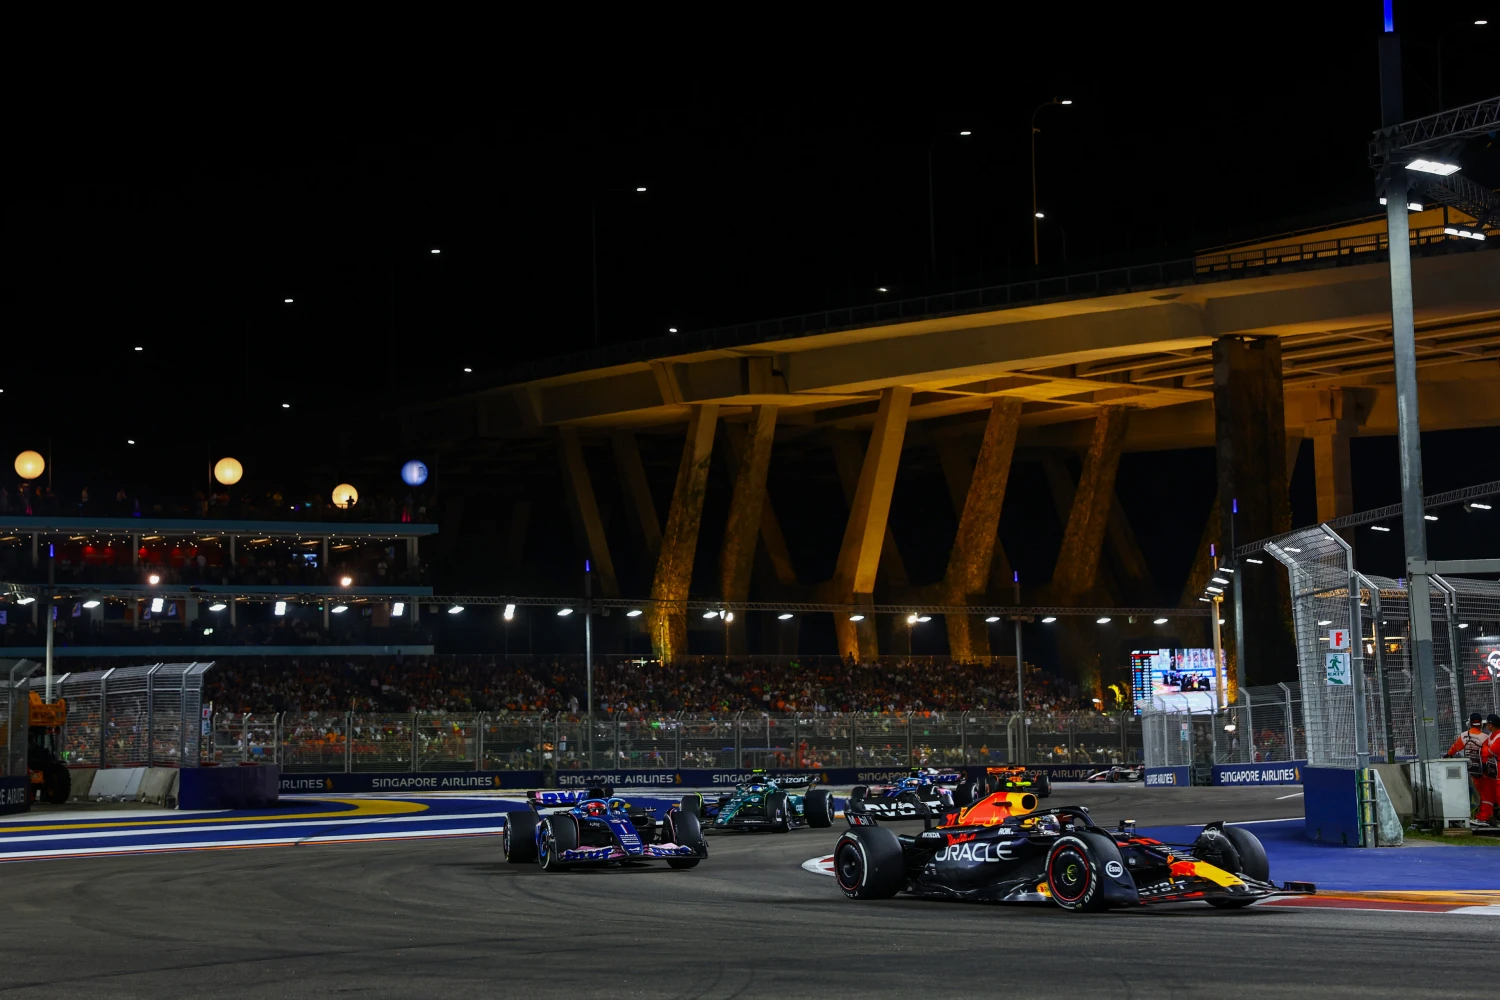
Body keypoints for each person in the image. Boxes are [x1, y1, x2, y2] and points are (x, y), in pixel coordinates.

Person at [1446, 712, 1488, 819]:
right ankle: (1484, 815)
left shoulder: (1464, 735)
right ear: (1481, 724)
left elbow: (1454, 749)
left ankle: (1476, 815)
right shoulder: (1485, 737)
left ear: (1469, 723)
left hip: (1469, 771)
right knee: (1485, 794)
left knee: (1474, 794)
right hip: (1483, 771)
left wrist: (1447, 755)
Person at [1479, 714, 1500, 826]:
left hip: (1498, 768)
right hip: (1492, 768)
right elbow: (1485, 748)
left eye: (1487, 724)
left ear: (1491, 725)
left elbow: (1489, 752)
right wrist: (1486, 750)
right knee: (1487, 792)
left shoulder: (1499, 736)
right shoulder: (1492, 735)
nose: (1486, 726)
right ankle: (1484, 817)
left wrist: (1486, 750)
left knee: (1498, 793)